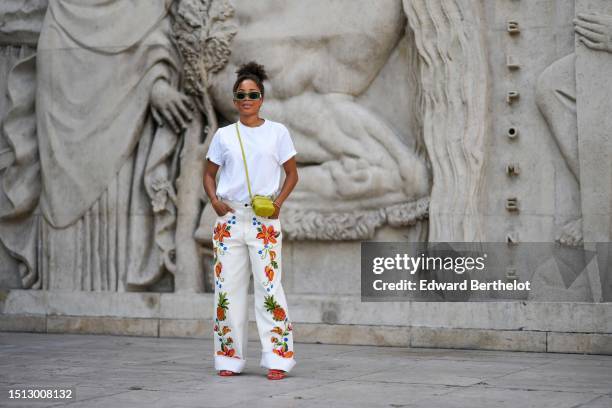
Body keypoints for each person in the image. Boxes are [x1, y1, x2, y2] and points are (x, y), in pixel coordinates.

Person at [203, 61, 299, 380]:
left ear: (262, 98)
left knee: (268, 288)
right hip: (230, 219)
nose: (247, 99)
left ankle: (278, 357)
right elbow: (208, 173)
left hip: (263, 221)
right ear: (234, 99)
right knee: (227, 291)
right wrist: (215, 201)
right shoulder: (224, 135)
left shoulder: (278, 133)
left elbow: (292, 173)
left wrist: (279, 203)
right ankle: (229, 357)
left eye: (253, 93)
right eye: (241, 94)